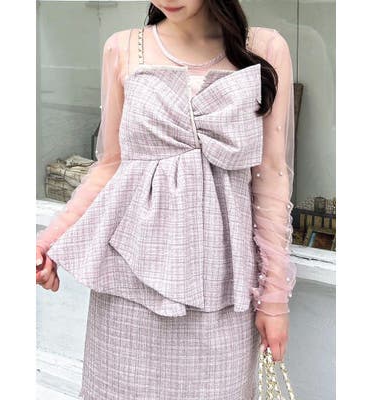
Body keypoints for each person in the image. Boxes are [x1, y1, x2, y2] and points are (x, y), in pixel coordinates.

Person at [36, 1, 297, 398]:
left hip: (223, 286)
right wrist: (49, 240)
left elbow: (271, 179)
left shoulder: (264, 48)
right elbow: (110, 166)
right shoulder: (123, 48)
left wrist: (274, 299)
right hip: (129, 283)